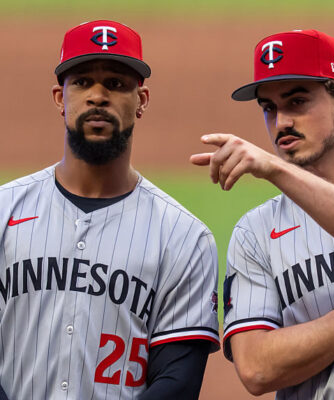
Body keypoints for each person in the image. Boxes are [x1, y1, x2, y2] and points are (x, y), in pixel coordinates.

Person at [0, 20, 219, 400]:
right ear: (59, 98)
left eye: (117, 84)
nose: (98, 96)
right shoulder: (4, 209)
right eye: (83, 82)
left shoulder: (184, 236)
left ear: (142, 101)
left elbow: (177, 382)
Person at [190, 29, 334, 399]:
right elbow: (256, 369)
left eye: (297, 101)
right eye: (269, 108)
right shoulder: (255, 233)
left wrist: (274, 168)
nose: (281, 122)